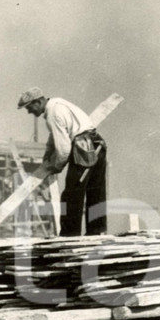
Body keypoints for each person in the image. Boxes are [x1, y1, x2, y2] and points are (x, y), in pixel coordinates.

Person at [18, 87, 108, 237]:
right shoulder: (57, 104)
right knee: (96, 191)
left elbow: (64, 149)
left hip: (83, 147)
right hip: (98, 144)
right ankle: (96, 231)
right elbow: (54, 137)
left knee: (71, 194)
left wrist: (56, 166)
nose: (29, 112)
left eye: (29, 107)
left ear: (39, 101)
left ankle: (70, 235)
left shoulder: (53, 113)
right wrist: (47, 155)